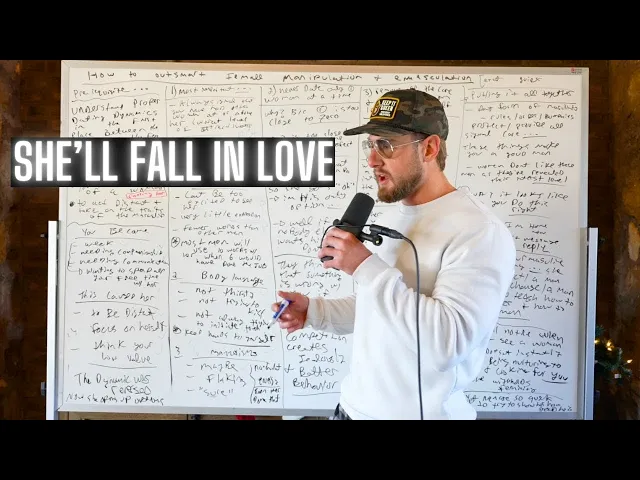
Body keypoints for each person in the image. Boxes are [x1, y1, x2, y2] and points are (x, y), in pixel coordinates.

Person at [272, 88, 516, 420]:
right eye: (371, 145)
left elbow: (449, 343)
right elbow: (381, 306)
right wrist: (315, 312)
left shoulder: (479, 230)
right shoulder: (391, 218)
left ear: (429, 148)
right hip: (350, 410)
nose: (372, 160)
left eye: (386, 145)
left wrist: (364, 266)